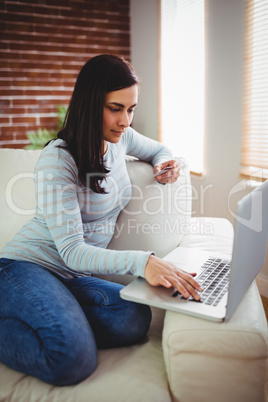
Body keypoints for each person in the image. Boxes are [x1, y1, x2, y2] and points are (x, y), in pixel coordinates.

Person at [0, 54, 202, 386]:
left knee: (134, 317)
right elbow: (73, 252)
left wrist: (165, 164)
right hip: (25, 268)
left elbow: (159, 149)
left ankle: (58, 320)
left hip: (70, 279)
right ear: (91, 102)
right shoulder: (58, 160)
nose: (125, 121)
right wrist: (144, 262)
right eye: (115, 108)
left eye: (131, 109)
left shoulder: (118, 140)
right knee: (71, 359)